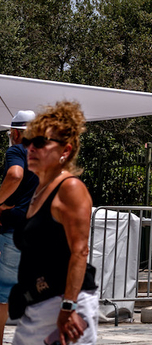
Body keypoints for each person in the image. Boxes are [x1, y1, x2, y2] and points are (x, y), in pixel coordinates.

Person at [10, 101, 97, 345]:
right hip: (38, 305)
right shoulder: (40, 190)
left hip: (64, 304)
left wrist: (69, 307)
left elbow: (80, 251)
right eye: (27, 141)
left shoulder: (70, 188)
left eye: (39, 142)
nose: (30, 148)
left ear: (65, 151)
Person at [0, 110, 39, 341]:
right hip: (43, 233)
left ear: (16, 132)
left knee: (3, 295)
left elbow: (15, 175)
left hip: (16, 232)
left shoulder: (17, 150)